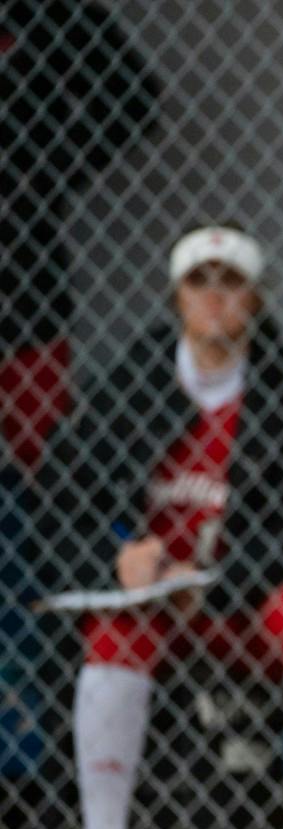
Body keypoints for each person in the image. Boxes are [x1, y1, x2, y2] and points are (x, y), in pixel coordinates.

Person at [37, 225, 283, 829]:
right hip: (150, 607)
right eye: (199, 283)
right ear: (176, 297)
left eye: (231, 283)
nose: (215, 300)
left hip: (237, 600)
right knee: (111, 630)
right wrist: (118, 558)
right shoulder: (129, 387)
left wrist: (216, 582)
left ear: (258, 299)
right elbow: (62, 508)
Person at [1, 0, 159, 478]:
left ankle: (43, 547)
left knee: (40, 453)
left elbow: (135, 100)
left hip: (24, 274)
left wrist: (43, 176)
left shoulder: (51, 13)